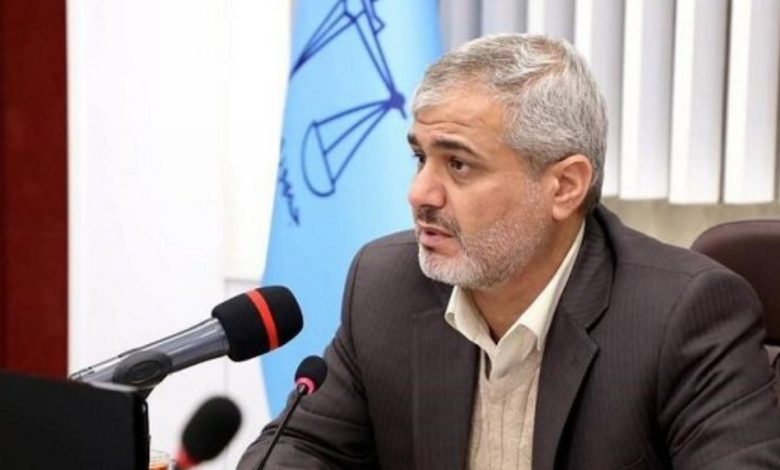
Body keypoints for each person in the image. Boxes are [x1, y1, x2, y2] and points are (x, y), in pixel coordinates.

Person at [238, 34, 780, 469]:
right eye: (420, 158)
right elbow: (304, 447)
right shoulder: (386, 284)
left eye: (458, 164)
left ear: (564, 186)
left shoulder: (681, 316)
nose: (420, 193)